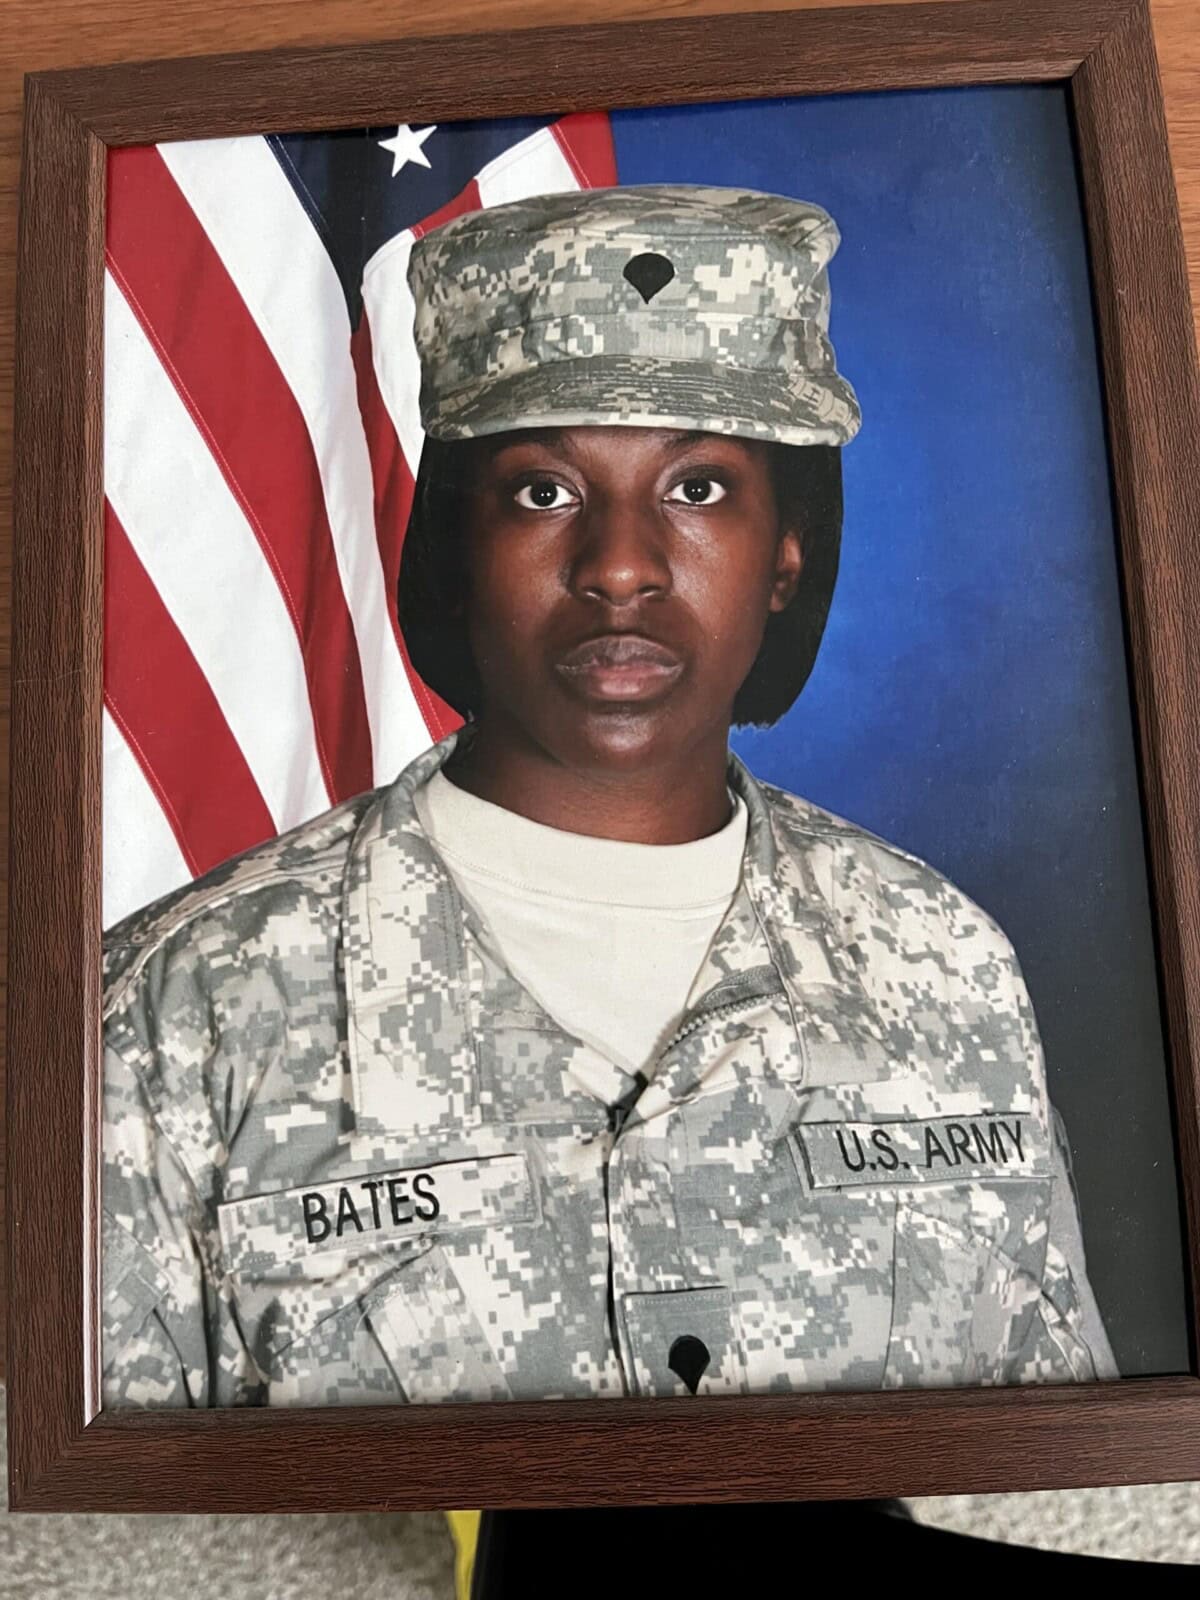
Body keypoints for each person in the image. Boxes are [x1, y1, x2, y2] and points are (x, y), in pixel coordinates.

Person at [101, 184, 1116, 1408]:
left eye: (697, 489)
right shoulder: (179, 1005)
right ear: (455, 540)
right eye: (543, 489)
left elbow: (1063, 1486)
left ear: (787, 549)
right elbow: (111, 1557)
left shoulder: (943, 965)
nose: (621, 566)